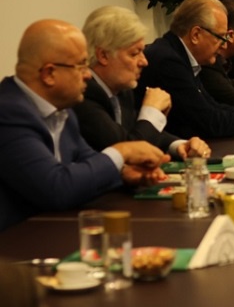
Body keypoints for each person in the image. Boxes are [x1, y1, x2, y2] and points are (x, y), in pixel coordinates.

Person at [0, 20, 167, 231]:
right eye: (80, 66)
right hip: (14, 242)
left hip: (51, 231)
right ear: (49, 74)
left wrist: (124, 174)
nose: (88, 74)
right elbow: (57, 188)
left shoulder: (63, 110)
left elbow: (88, 161)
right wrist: (122, 152)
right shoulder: (8, 113)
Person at [136, 0, 234, 138]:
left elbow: (213, 107)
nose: (224, 44)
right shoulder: (168, 61)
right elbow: (209, 121)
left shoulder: (179, 54)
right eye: (220, 37)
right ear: (196, 35)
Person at [74, 6, 211, 159]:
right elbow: (129, 152)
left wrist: (179, 145)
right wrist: (152, 111)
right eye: (134, 54)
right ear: (103, 55)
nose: (144, 62)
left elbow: (136, 131)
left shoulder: (122, 90)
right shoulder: (83, 94)